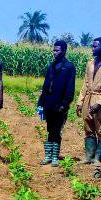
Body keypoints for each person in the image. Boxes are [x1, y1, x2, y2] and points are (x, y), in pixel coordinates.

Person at [76, 36, 101, 167]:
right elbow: (85, 84)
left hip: (100, 100)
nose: (92, 48)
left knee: (100, 129)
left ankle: (97, 159)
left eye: (95, 46)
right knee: (88, 127)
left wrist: (99, 104)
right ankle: (89, 156)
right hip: (88, 97)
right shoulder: (90, 63)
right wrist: (80, 101)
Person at [35, 39, 76, 167]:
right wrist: (40, 102)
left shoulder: (69, 67)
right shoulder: (52, 66)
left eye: (57, 50)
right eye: (54, 50)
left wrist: (65, 103)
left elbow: (70, 87)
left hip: (60, 105)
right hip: (49, 103)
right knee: (49, 130)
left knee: (56, 130)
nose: (54, 52)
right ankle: (48, 155)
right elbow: (46, 84)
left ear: (64, 51)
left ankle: (54, 157)